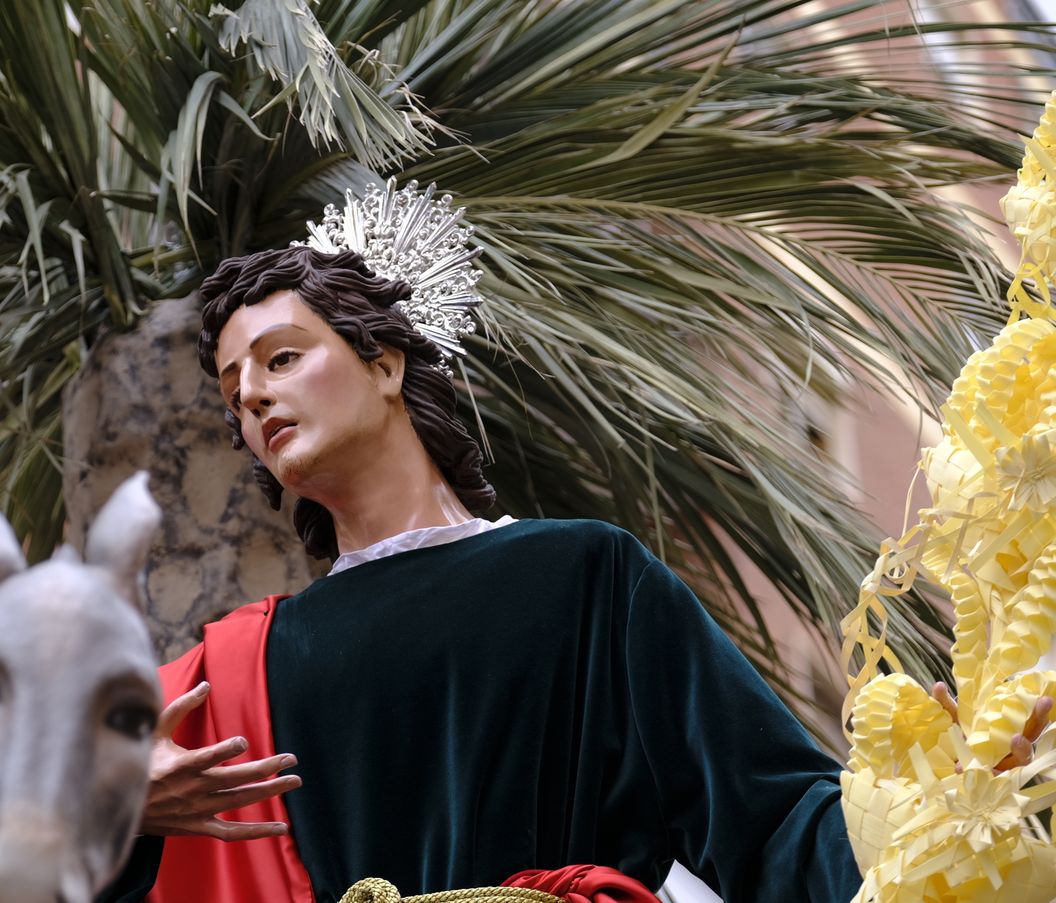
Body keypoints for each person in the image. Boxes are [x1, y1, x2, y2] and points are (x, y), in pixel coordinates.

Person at [98, 187, 867, 902]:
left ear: (385, 362)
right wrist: (111, 811)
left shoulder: (583, 576)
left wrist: (938, 801)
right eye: (235, 393)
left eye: (283, 357)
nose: (255, 396)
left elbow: (770, 813)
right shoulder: (243, 668)